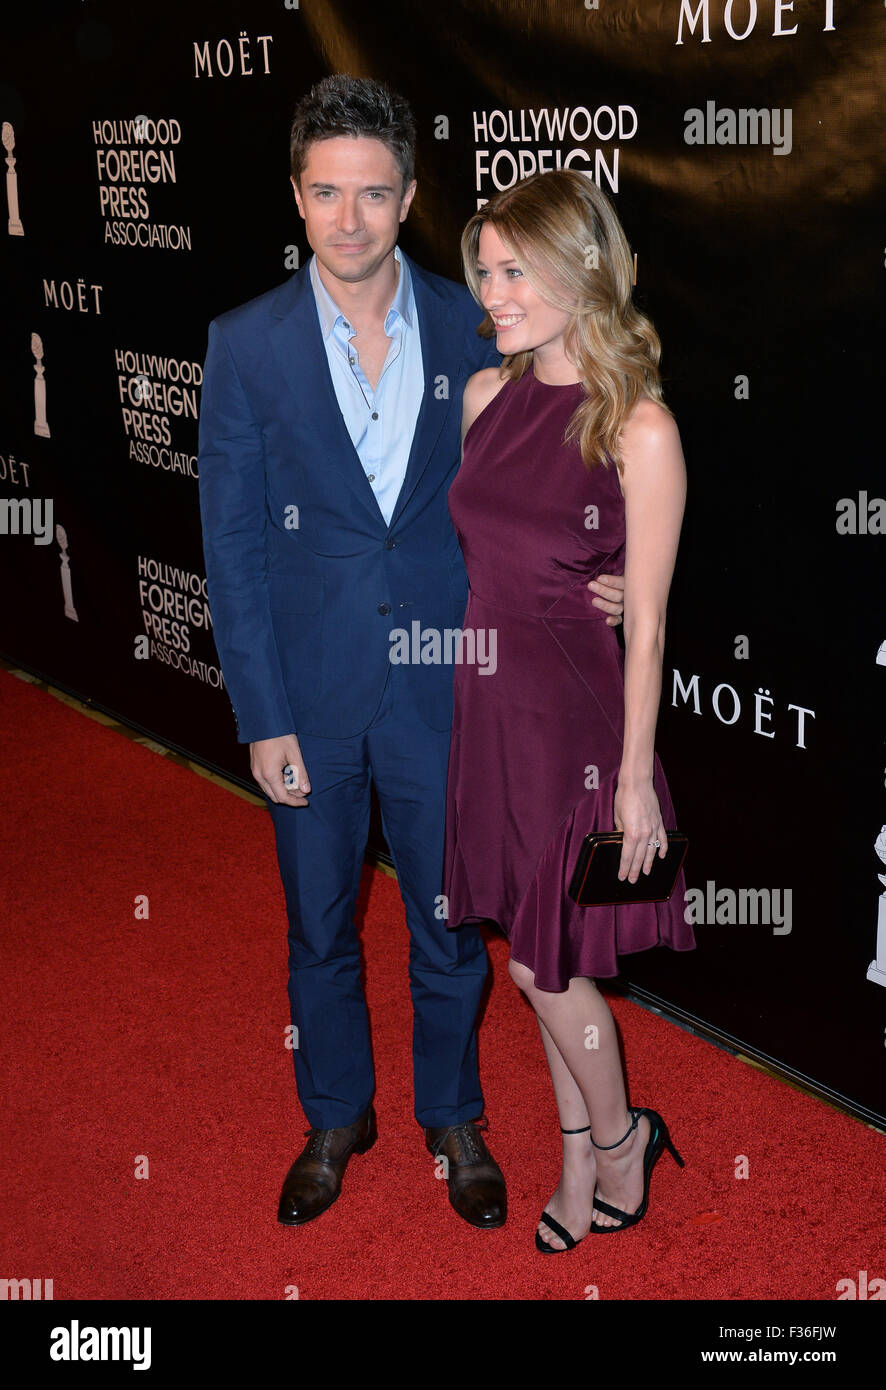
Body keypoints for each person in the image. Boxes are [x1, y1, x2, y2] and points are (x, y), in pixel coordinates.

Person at [197, 76, 627, 1232]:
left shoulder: (475, 319)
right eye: (327, 193)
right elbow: (230, 544)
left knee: (451, 924)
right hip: (310, 696)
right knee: (318, 922)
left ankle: (454, 1116)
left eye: (373, 194)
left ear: (408, 198)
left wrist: (611, 560)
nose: (350, 219)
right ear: (296, 196)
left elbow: (583, 434)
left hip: (453, 689)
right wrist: (261, 715)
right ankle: (335, 1113)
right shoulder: (244, 347)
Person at [443, 168, 696, 1252]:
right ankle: (579, 1156)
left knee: (539, 964)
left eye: (516, 270)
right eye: (485, 271)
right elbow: (496, 549)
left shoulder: (638, 427)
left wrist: (636, 776)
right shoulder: (484, 399)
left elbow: (645, 622)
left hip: (585, 733)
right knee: (545, 954)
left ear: (578, 268)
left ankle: (623, 1135)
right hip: (491, 710)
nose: (493, 294)